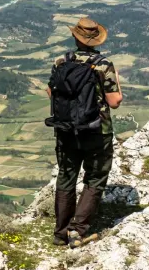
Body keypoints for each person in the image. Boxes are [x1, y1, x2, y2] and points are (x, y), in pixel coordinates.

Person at [46, 16, 123, 248]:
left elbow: (51, 92)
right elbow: (115, 101)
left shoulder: (61, 62)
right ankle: (78, 231)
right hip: (96, 132)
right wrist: (116, 82)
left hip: (66, 130)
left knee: (66, 176)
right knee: (95, 178)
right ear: (96, 40)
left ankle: (60, 233)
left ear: (74, 36)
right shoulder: (103, 65)